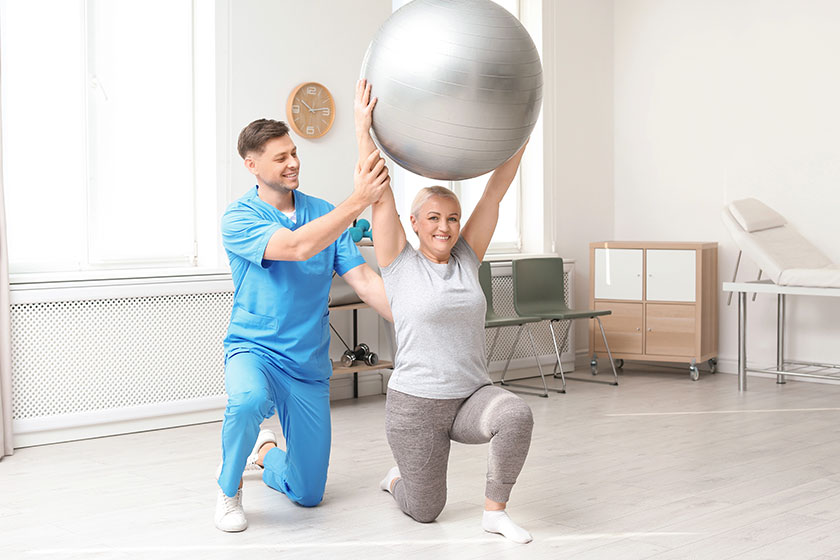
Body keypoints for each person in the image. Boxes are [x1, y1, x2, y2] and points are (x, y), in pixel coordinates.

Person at [354, 79, 535, 544]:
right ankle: (398, 480)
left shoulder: (468, 257)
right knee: (426, 510)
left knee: (515, 415)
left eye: (451, 217)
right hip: (415, 407)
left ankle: (495, 513)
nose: (445, 226)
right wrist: (362, 128)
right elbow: (377, 187)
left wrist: (521, 129)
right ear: (413, 224)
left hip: (470, 396)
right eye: (433, 217)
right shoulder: (398, 263)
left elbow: (495, 192)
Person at [215, 117, 392, 532]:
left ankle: (265, 454)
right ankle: (228, 489)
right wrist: (360, 199)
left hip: (307, 362)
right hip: (254, 349)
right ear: (252, 165)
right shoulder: (238, 217)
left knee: (309, 493)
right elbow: (295, 247)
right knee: (246, 402)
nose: (293, 162)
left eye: (294, 153)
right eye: (281, 158)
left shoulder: (323, 213)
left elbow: (363, 279)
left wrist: (415, 319)